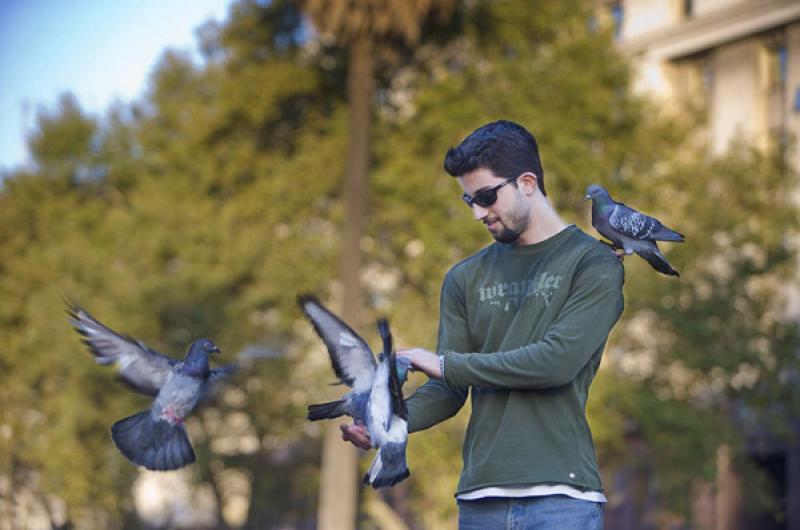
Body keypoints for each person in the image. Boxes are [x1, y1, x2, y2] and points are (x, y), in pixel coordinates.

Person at [341, 120, 624, 530]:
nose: (478, 212)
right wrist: (388, 424)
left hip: (562, 500)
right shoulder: (463, 278)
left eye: (487, 196)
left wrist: (445, 363)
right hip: (478, 502)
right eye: (468, 199)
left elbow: (556, 362)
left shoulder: (593, 263)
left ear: (527, 182)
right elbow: (447, 388)